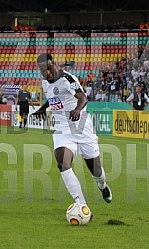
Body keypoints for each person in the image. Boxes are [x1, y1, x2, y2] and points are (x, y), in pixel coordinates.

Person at [32, 53, 112, 208]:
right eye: (43, 70)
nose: (47, 73)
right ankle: (81, 204)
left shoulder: (67, 79)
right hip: (62, 130)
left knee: (96, 171)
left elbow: (83, 97)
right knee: (62, 162)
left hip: (81, 127)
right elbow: (53, 97)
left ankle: (102, 186)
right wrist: (42, 109)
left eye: (49, 68)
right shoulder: (45, 83)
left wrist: (77, 109)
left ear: (54, 64)